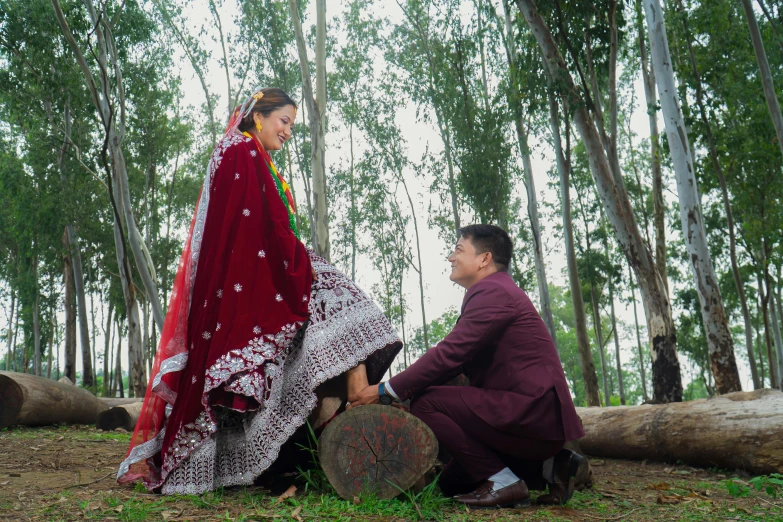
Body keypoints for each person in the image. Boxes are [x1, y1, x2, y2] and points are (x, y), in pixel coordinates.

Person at [117, 87, 401, 494]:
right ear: (258, 116)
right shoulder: (242, 151)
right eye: (284, 121)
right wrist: (298, 267)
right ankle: (353, 396)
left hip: (260, 274)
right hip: (253, 279)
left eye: (291, 125)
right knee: (339, 296)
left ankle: (336, 411)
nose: (287, 132)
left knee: (330, 308)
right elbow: (253, 229)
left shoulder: (248, 153)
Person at [349, 224, 585, 508]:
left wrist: (386, 390)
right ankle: (551, 467)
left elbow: (449, 355)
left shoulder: (493, 291)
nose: (451, 257)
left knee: (428, 403)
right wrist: (403, 398)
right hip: (531, 422)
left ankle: (505, 481)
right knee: (452, 483)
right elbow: (453, 366)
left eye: (459, 249)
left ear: (484, 259)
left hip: (532, 415)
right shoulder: (495, 291)